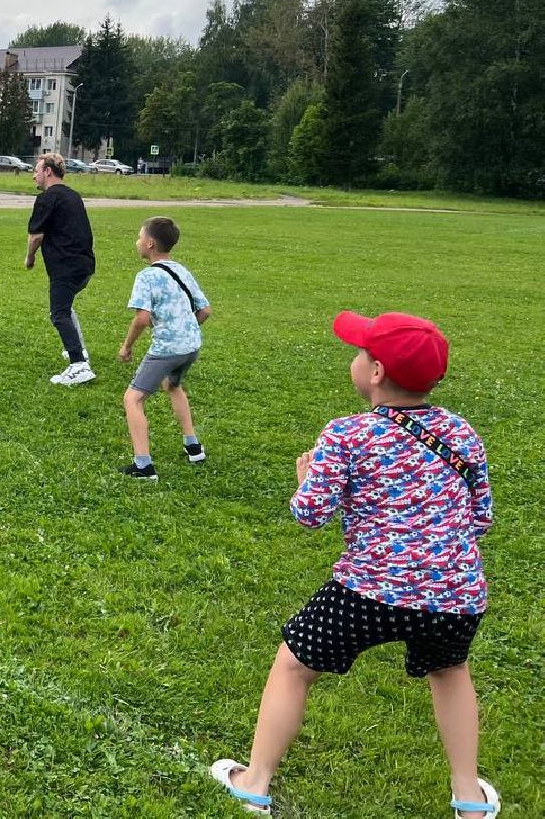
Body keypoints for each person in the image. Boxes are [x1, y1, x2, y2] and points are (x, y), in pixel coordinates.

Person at [213, 311, 497, 818]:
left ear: (377, 372)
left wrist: (306, 483)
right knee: (451, 672)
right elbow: (481, 517)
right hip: (456, 592)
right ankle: (470, 800)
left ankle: (253, 783)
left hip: (367, 591)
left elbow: (310, 514)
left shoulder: (345, 434)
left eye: (361, 352)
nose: (356, 358)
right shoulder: (461, 430)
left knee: (293, 665)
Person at [116, 216, 212, 480]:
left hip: (167, 349)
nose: (137, 242)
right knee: (172, 385)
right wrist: (184, 330)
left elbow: (142, 319)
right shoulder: (181, 270)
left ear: (149, 243)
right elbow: (205, 310)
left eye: (139, 237)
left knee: (133, 399)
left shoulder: (146, 276)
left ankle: (144, 466)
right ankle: (193, 447)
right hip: (191, 346)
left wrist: (126, 347)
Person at [25, 153, 95, 385]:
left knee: (59, 314)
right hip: (84, 265)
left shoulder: (47, 198)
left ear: (48, 171)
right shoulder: (73, 196)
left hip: (65, 266)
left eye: (36, 170)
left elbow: (36, 236)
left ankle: (79, 365)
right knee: (65, 308)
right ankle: (79, 350)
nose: (33, 175)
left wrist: (30, 258)